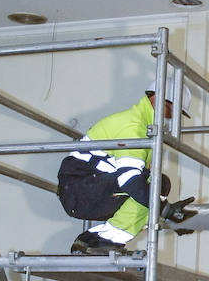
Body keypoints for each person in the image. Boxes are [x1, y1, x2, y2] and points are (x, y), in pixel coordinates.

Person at [58, 79, 195, 254]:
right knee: (155, 186)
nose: (174, 118)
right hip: (79, 190)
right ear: (165, 102)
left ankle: (96, 240)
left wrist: (165, 210)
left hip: (87, 188)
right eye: (176, 111)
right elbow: (130, 181)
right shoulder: (134, 127)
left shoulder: (145, 128)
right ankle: (97, 240)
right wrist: (166, 211)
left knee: (154, 187)